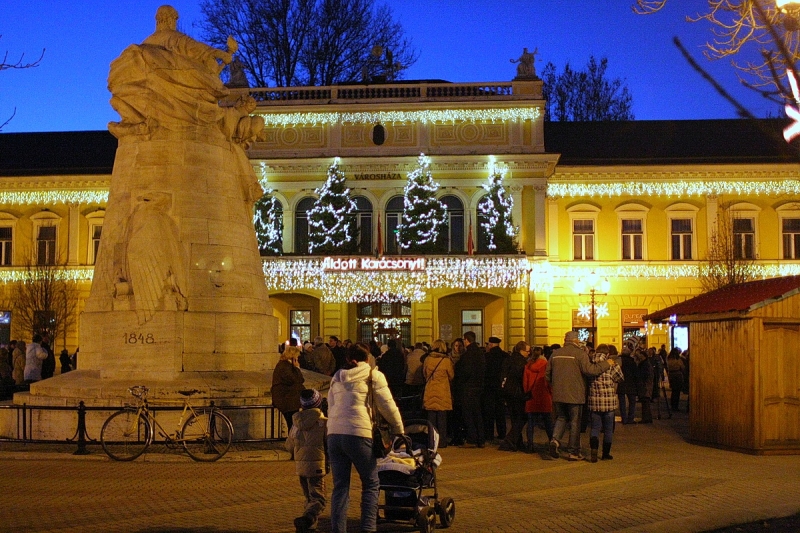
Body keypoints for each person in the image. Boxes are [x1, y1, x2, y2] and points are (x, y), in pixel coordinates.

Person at [327, 343, 403, 533]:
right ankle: (368, 528)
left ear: (348, 359)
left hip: (334, 435)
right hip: (358, 433)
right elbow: (387, 405)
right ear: (368, 358)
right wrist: (399, 429)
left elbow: (331, 405)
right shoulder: (373, 375)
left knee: (340, 487)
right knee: (371, 483)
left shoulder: (337, 377)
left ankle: (338, 530)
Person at [545, 331, 614, 461]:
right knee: (575, 422)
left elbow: (547, 374)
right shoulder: (580, 354)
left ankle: (555, 440)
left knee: (561, 418)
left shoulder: (555, 354)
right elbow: (590, 370)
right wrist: (607, 363)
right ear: (575, 341)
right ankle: (573, 451)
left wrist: (555, 385)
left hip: (558, 394)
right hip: (575, 394)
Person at [285, 388, 328, 533]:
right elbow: (329, 443)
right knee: (319, 499)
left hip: (301, 467)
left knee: (309, 498)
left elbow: (289, 446)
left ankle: (308, 527)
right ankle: (307, 519)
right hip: (317, 466)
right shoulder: (322, 423)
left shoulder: (296, 423)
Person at [587, 344, 624, 462]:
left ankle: (594, 450)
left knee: (595, 428)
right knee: (608, 430)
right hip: (609, 402)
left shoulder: (590, 364)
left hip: (594, 402)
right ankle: (605, 453)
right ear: (607, 354)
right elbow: (620, 378)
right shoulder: (612, 364)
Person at [422, 339, 454, 448]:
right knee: (442, 419)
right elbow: (451, 375)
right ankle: (442, 442)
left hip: (430, 390)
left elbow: (425, 374)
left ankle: (432, 441)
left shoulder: (427, 359)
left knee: (431, 419)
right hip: (442, 392)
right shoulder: (446, 361)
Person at [498, 341, 529, 452]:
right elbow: (522, 379)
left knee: (515, 418)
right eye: (527, 351)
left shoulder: (508, 359)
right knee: (521, 418)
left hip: (508, 393)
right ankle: (509, 441)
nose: (528, 353)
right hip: (518, 393)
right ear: (521, 351)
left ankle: (517, 442)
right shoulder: (522, 362)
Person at [457, 331, 485, 448]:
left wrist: (460, 382)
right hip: (478, 387)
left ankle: (472, 438)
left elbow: (465, 372)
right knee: (477, 413)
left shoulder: (468, 354)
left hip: (468, 387)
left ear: (466, 340)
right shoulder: (480, 353)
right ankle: (481, 439)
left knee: (468, 414)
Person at [523, 346, 553, 452]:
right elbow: (548, 381)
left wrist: (527, 392)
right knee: (548, 422)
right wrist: (551, 393)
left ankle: (530, 445)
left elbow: (525, 383)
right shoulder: (545, 365)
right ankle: (552, 442)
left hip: (531, 397)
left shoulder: (528, 365)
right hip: (544, 397)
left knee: (531, 423)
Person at [271, 345, 306, 431]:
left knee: (293, 425)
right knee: (292, 426)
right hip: (287, 401)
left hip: (288, 400)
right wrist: (297, 368)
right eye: (297, 356)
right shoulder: (285, 366)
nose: (298, 358)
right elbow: (297, 380)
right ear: (292, 356)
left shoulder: (286, 365)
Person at [483, 336, 508, 443]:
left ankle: (489, 435)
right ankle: (502, 433)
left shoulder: (486, 356)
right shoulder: (505, 356)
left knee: (489, 412)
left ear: (491, 344)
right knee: (500, 412)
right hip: (501, 387)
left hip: (488, 387)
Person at [617, 342, 639, 424]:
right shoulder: (632, 361)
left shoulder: (619, 361)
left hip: (621, 383)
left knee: (622, 403)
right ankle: (630, 418)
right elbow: (636, 373)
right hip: (631, 383)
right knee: (632, 402)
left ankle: (624, 418)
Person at [634, 347, 654, 424]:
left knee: (645, 402)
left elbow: (645, 375)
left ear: (644, 356)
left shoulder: (645, 364)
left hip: (645, 386)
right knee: (645, 402)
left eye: (641, 356)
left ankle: (646, 418)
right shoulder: (645, 363)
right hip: (645, 385)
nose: (640, 357)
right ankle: (647, 418)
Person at [666, 347, 685, 411]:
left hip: (671, 375)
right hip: (678, 374)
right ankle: (675, 406)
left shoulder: (669, 359)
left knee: (673, 391)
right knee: (677, 391)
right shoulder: (678, 359)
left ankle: (672, 405)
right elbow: (682, 367)